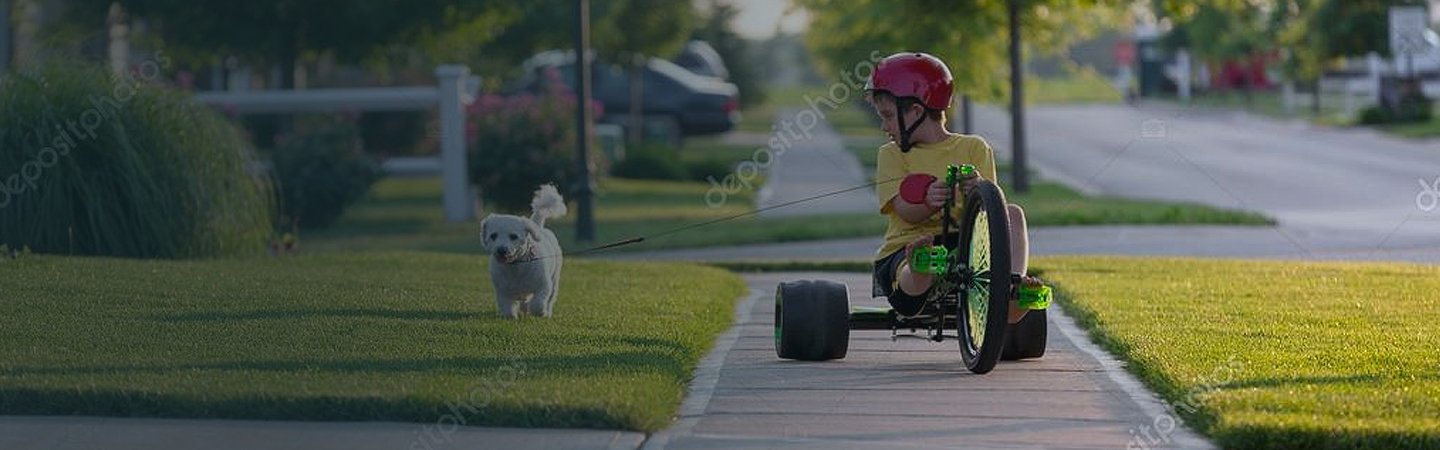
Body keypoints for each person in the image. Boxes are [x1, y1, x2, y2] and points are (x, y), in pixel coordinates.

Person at [866, 52, 1041, 323]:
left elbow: (990, 217)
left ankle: (1009, 287)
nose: (883, 125)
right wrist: (928, 203)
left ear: (915, 111)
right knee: (917, 261)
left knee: (1013, 213)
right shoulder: (891, 154)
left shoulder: (974, 147)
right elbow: (903, 210)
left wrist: (976, 189)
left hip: (965, 249)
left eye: (887, 116)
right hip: (906, 248)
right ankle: (920, 271)